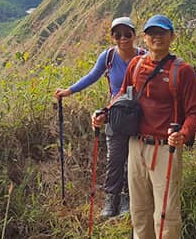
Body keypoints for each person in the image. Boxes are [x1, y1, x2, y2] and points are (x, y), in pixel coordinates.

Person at [92, 14, 196, 239]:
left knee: (166, 213)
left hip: (166, 148)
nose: (157, 37)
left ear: (172, 36)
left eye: (162, 33)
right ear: (144, 38)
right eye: (152, 33)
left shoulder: (183, 71)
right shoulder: (137, 64)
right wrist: (105, 113)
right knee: (139, 210)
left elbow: (195, 112)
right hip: (137, 144)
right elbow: (123, 96)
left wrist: (184, 133)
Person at [54, 16, 146, 219]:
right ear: (112, 36)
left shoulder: (144, 57)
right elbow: (92, 76)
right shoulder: (108, 57)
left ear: (134, 35)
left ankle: (126, 200)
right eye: (117, 34)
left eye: (127, 34)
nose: (123, 38)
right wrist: (69, 91)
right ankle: (110, 201)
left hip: (140, 117)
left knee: (133, 162)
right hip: (116, 115)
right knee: (114, 160)